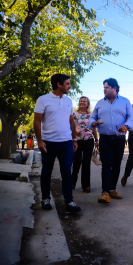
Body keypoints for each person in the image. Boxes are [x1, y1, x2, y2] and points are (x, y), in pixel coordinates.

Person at [33, 73, 81, 213]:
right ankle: (46, 198)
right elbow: (36, 121)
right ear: (59, 84)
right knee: (47, 171)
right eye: (67, 83)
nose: (70, 86)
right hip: (48, 142)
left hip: (66, 142)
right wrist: (40, 141)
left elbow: (71, 121)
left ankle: (69, 202)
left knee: (67, 171)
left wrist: (74, 138)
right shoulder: (43, 100)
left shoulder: (68, 100)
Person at [89, 78, 133, 204]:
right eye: (104, 87)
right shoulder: (99, 103)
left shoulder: (125, 102)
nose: (104, 89)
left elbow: (131, 116)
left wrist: (127, 126)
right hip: (105, 139)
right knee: (107, 164)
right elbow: (92, 117)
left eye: (107, 87)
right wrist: (93, 123)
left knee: (116, 165)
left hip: (119, 139)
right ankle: (105, 192)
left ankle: (112, 189)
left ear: (114, 88)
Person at [72, 96, 99, 193]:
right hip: (77, 141)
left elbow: (94, 128)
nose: (82, 102)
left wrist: (96, 140)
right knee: (76, 161)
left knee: (86, 162)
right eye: (81, 101)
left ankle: (86, 185)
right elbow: (71, 127)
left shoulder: (91, 115)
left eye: (84, 101)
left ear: (88, 104)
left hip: (89, 140)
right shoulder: (74, 114)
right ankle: (73, 182)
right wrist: (73, 139)